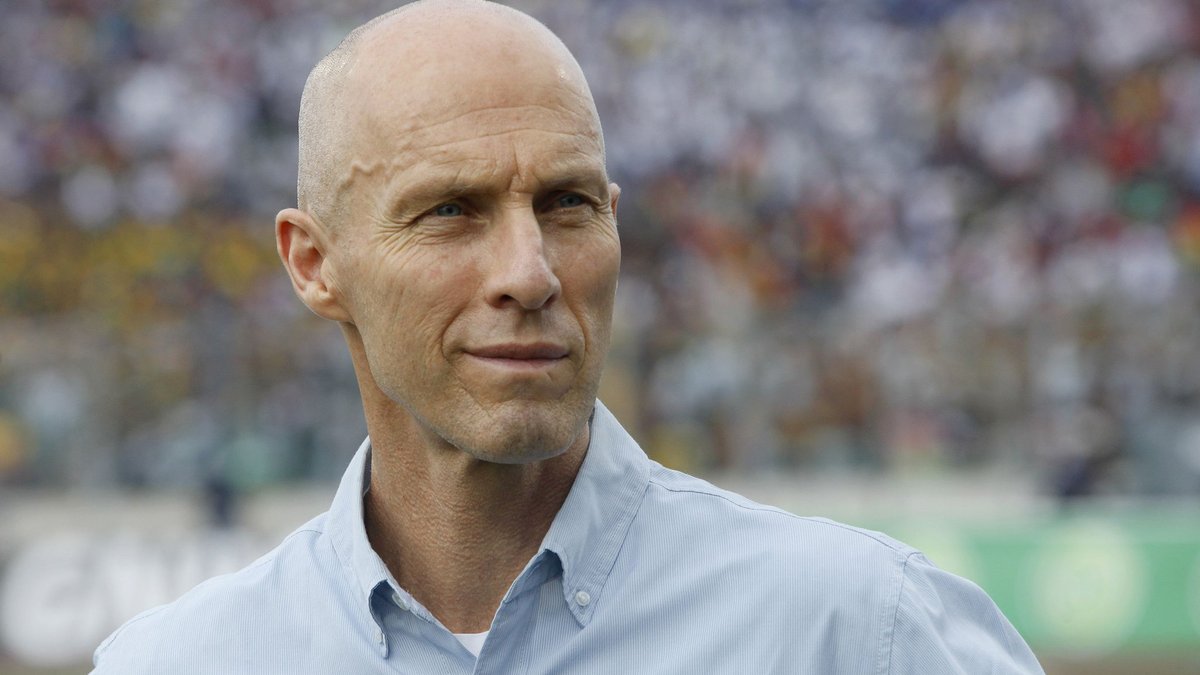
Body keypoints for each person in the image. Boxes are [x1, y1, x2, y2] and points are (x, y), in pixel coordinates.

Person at [92, 1, 1044, 672]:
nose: (531, 271)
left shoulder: (863, 630)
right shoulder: (174, 662)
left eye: (568, 204)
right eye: (450, 211)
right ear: (314, 264)